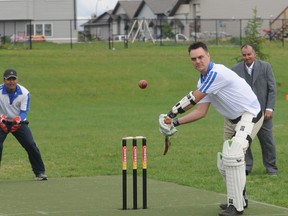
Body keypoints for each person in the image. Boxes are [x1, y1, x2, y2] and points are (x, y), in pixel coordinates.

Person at [159, 42, 263, 216]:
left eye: (201, 57)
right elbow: (200, 112)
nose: (198, 61)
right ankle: (239, 198)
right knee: (225, 162)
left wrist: (171, 114)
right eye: (194, 59)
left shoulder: (217, 73)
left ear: (208, 55)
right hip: (231, 120)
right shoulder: (203, 80)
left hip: (250, 114)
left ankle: (236, 206)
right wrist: (175, 123)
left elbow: (193, 98)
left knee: (233, 154)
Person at [229, 44, 277, 176]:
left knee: (267, 141)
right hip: (244, 114)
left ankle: (271, 169)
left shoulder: (265, 67)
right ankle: (246, 167)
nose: (247, 57)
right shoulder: (235, 70)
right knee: (244, 142)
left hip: (263, 113)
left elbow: (272, 89)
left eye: (249, 54)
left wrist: (269, 108)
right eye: (244, 55)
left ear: (254, 54)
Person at [0, 69, 47, 181]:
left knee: (30, 144)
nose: (11, 82)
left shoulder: (25, 93)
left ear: (17, 80)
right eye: (8, 79)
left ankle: (40, 172)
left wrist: (19, 119)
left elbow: (24, 111)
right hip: (2, 121)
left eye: (13, 79)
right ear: (4, 80)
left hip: (18, 122)